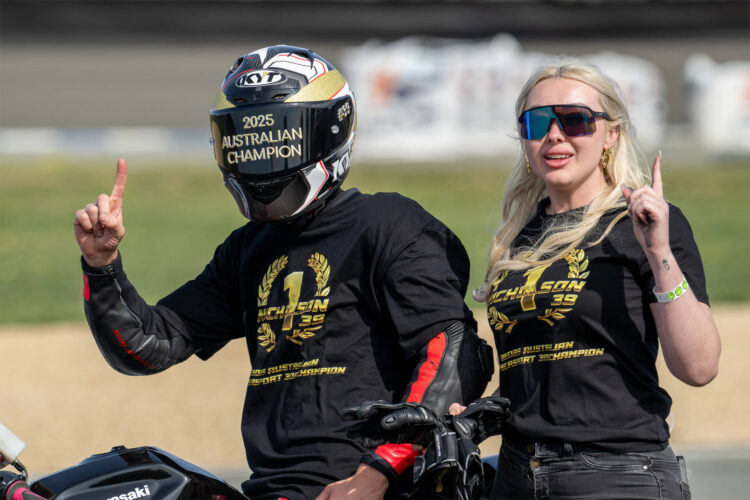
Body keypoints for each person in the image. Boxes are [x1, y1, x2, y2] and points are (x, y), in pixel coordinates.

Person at [73, 45, 493, 500]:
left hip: (376, 488)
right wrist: (101, 265)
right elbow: (147, 346)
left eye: (278, 137)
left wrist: (377, 473)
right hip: (272, 489)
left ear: (331, 130)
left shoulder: (389, 224)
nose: (262, 157)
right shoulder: (248, 248)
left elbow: (456, 354)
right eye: (247, 139)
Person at [468, 59, 721, 499]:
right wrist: (477, 411)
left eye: (575, 120)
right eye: (537, 122)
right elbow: (535, 366)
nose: (554, 135)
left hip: (614, 473)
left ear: (611, 134)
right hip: (517, 473)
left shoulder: (642, 223)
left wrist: (658, 251)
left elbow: (699, 367)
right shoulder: (517, 238)